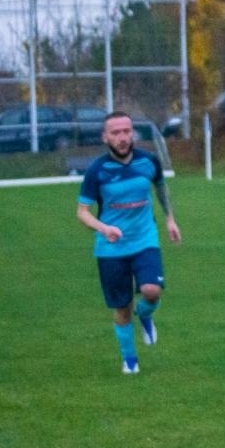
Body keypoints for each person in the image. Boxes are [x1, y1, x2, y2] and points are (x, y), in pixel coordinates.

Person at [76, 112, 181, 375]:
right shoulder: (97, 171)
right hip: (111, 248)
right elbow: (82, 212)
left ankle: (145, 314)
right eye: (116, 132)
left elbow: (160, 186)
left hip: (145, 239)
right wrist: (104, 228)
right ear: (105, 137)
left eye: (126, 131)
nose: (122, 137)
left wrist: (170, 219)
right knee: (122, 308)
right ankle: (130, 359)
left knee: (151, 291)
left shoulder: (149, 161)